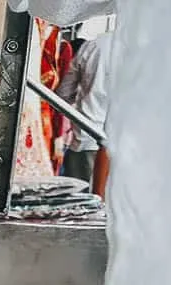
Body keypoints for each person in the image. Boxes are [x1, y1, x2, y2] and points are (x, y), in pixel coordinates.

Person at [56, 29, 113, 188]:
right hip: (122, 144)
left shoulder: (94, 46)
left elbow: (63, 93)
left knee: (78, 203)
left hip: (86, 135)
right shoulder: (145, 49)